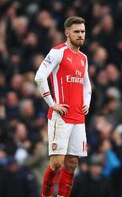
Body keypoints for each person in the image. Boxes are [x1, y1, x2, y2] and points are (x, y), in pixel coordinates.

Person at [35, 16, 92, 197]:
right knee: (57, 163)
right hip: (61, 116)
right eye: (76, 31)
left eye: (82, 31)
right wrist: (52, 104)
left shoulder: (83, 57)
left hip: (78, 117)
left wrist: (87, 103)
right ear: (67, 33)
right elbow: (40, 77)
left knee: (72, 163)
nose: (80, 35)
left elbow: (86, 84)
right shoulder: (58, 52)